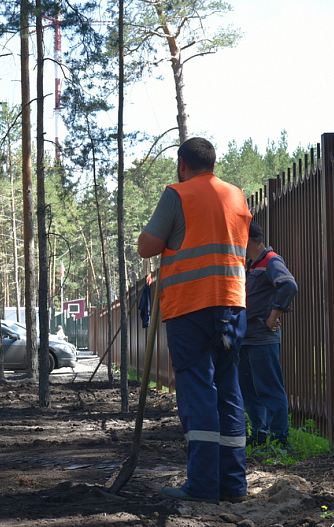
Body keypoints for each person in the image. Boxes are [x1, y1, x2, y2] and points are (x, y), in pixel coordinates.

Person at [137, 137, 252, 505]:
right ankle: (233, 485)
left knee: (198, 392)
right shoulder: (236, 196)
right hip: (232, 306)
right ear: (213, 164)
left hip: (190, 306)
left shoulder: (179, 193)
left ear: (182, 164)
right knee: (228, 389)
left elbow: (147, 246)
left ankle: (202, 485)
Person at [239, 220, 297, 449]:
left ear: (247, 239)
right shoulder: (251, 264)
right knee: (249, 390)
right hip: (246, 337)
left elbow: (288, 285)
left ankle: (279, 439)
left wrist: (273, 316)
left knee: (269, 389)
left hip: (262, 338)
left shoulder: (271, 260)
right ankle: (260, 433)